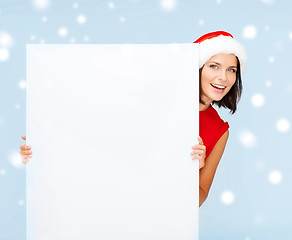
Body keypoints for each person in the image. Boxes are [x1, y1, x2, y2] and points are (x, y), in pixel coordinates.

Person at [20, 31, 246, 207]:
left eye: (231, 70)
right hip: (111, 206)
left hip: (161, 221)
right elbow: (98, 141)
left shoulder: (219, 130)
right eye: (214, 66)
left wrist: (192, 169)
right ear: (197, 67)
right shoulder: (157, 100)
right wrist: (42, 146)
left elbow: (198, 197)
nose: (222, 77)